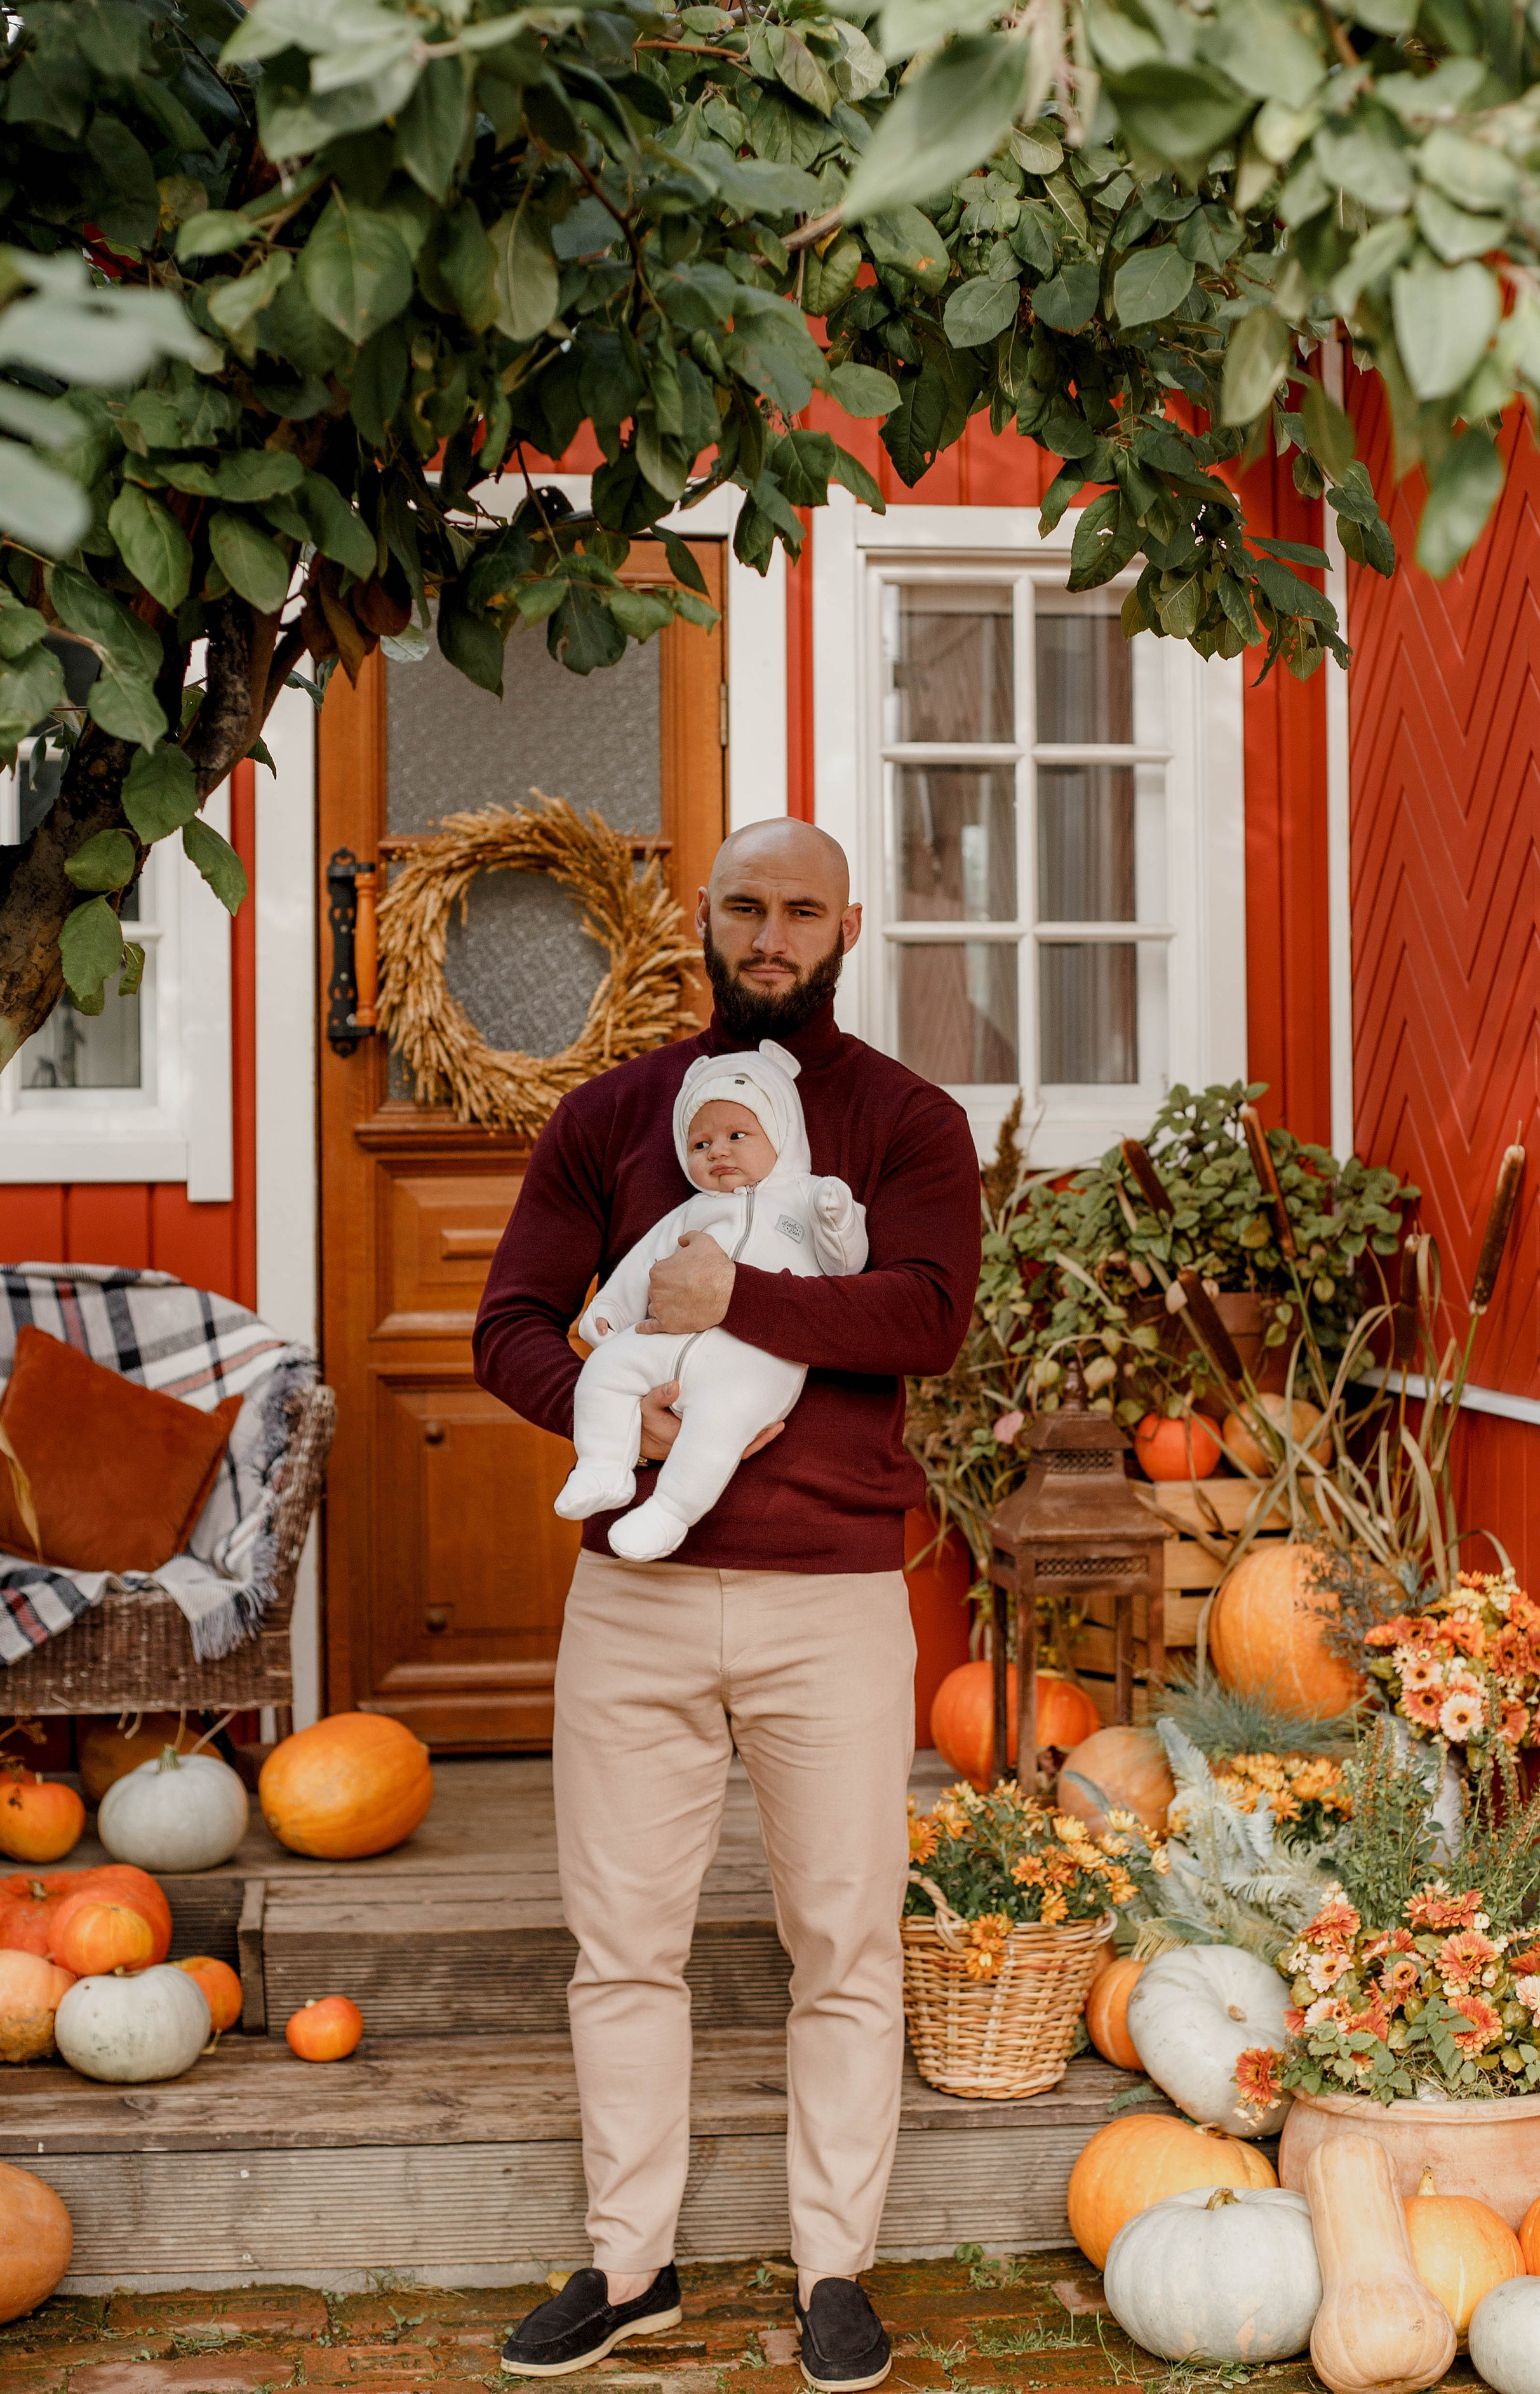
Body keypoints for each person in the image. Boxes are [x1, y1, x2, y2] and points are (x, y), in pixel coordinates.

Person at [474, 819, 981, 2392]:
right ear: (700, 917)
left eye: (800, 911)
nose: (771, 935)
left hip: (830, 1600)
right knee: (620, 1945)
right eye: (746, 905)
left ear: (846, 927)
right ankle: (630, 2264)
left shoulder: (904, 1117)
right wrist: (604, 1412)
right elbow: (509, 1322)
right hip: (631, 1596)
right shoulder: (611, 1116)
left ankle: (834, 2265)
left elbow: (926, 1311)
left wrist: (734, 1298)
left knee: (841, 1939)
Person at [554, 1038, 869, 1562]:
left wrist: (838, 1216)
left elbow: (845, 1265)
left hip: (752, 1365)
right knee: (604, 1370)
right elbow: (647, 1264)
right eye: (700, 1145)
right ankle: (602, 1466)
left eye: (737, 1135)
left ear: (781, 1136)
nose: (718, 1151)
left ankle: (669, 1513)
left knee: (718, 1427)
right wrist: (610, 1314)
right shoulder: (693, 1212)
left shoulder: (806, 1196)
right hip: (669, 1345)